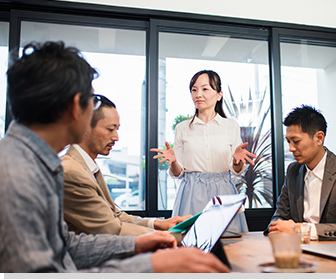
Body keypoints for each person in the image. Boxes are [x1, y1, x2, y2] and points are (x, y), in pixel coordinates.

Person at [0, 41, 230, 273]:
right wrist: (151, 265)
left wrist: (138, 242)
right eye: (93, 101)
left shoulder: (36, 164)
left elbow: (66, 247)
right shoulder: (16, 174)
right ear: (74, 106)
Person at [62, 94, 191, 236]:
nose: (116, 137)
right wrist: (177, 236)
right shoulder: (72, 172)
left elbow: (116, 215)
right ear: (84, 126)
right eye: (111, 129)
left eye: (117, 129)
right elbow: (112, 229)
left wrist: (159, 224)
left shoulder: (87, 166)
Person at [150, 70, 256, 233]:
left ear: (219, 94)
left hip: (223, 192)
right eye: (194, 89)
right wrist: (174, 162)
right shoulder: (182, 128)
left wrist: (236, 162)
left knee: (228, 245)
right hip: (191, 192)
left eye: (205, 89)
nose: (198, 94)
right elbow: (178, 173)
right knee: (191, 244)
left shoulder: (231, 126)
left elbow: (236, 171)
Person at [267, 105, 336, 242]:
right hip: (298, 251)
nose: (291, 148)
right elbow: (278, 218)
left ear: (319, 138)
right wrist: (279, 226)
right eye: (288, 142)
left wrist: (300, 230)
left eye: (296, 141)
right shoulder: (293, 171)